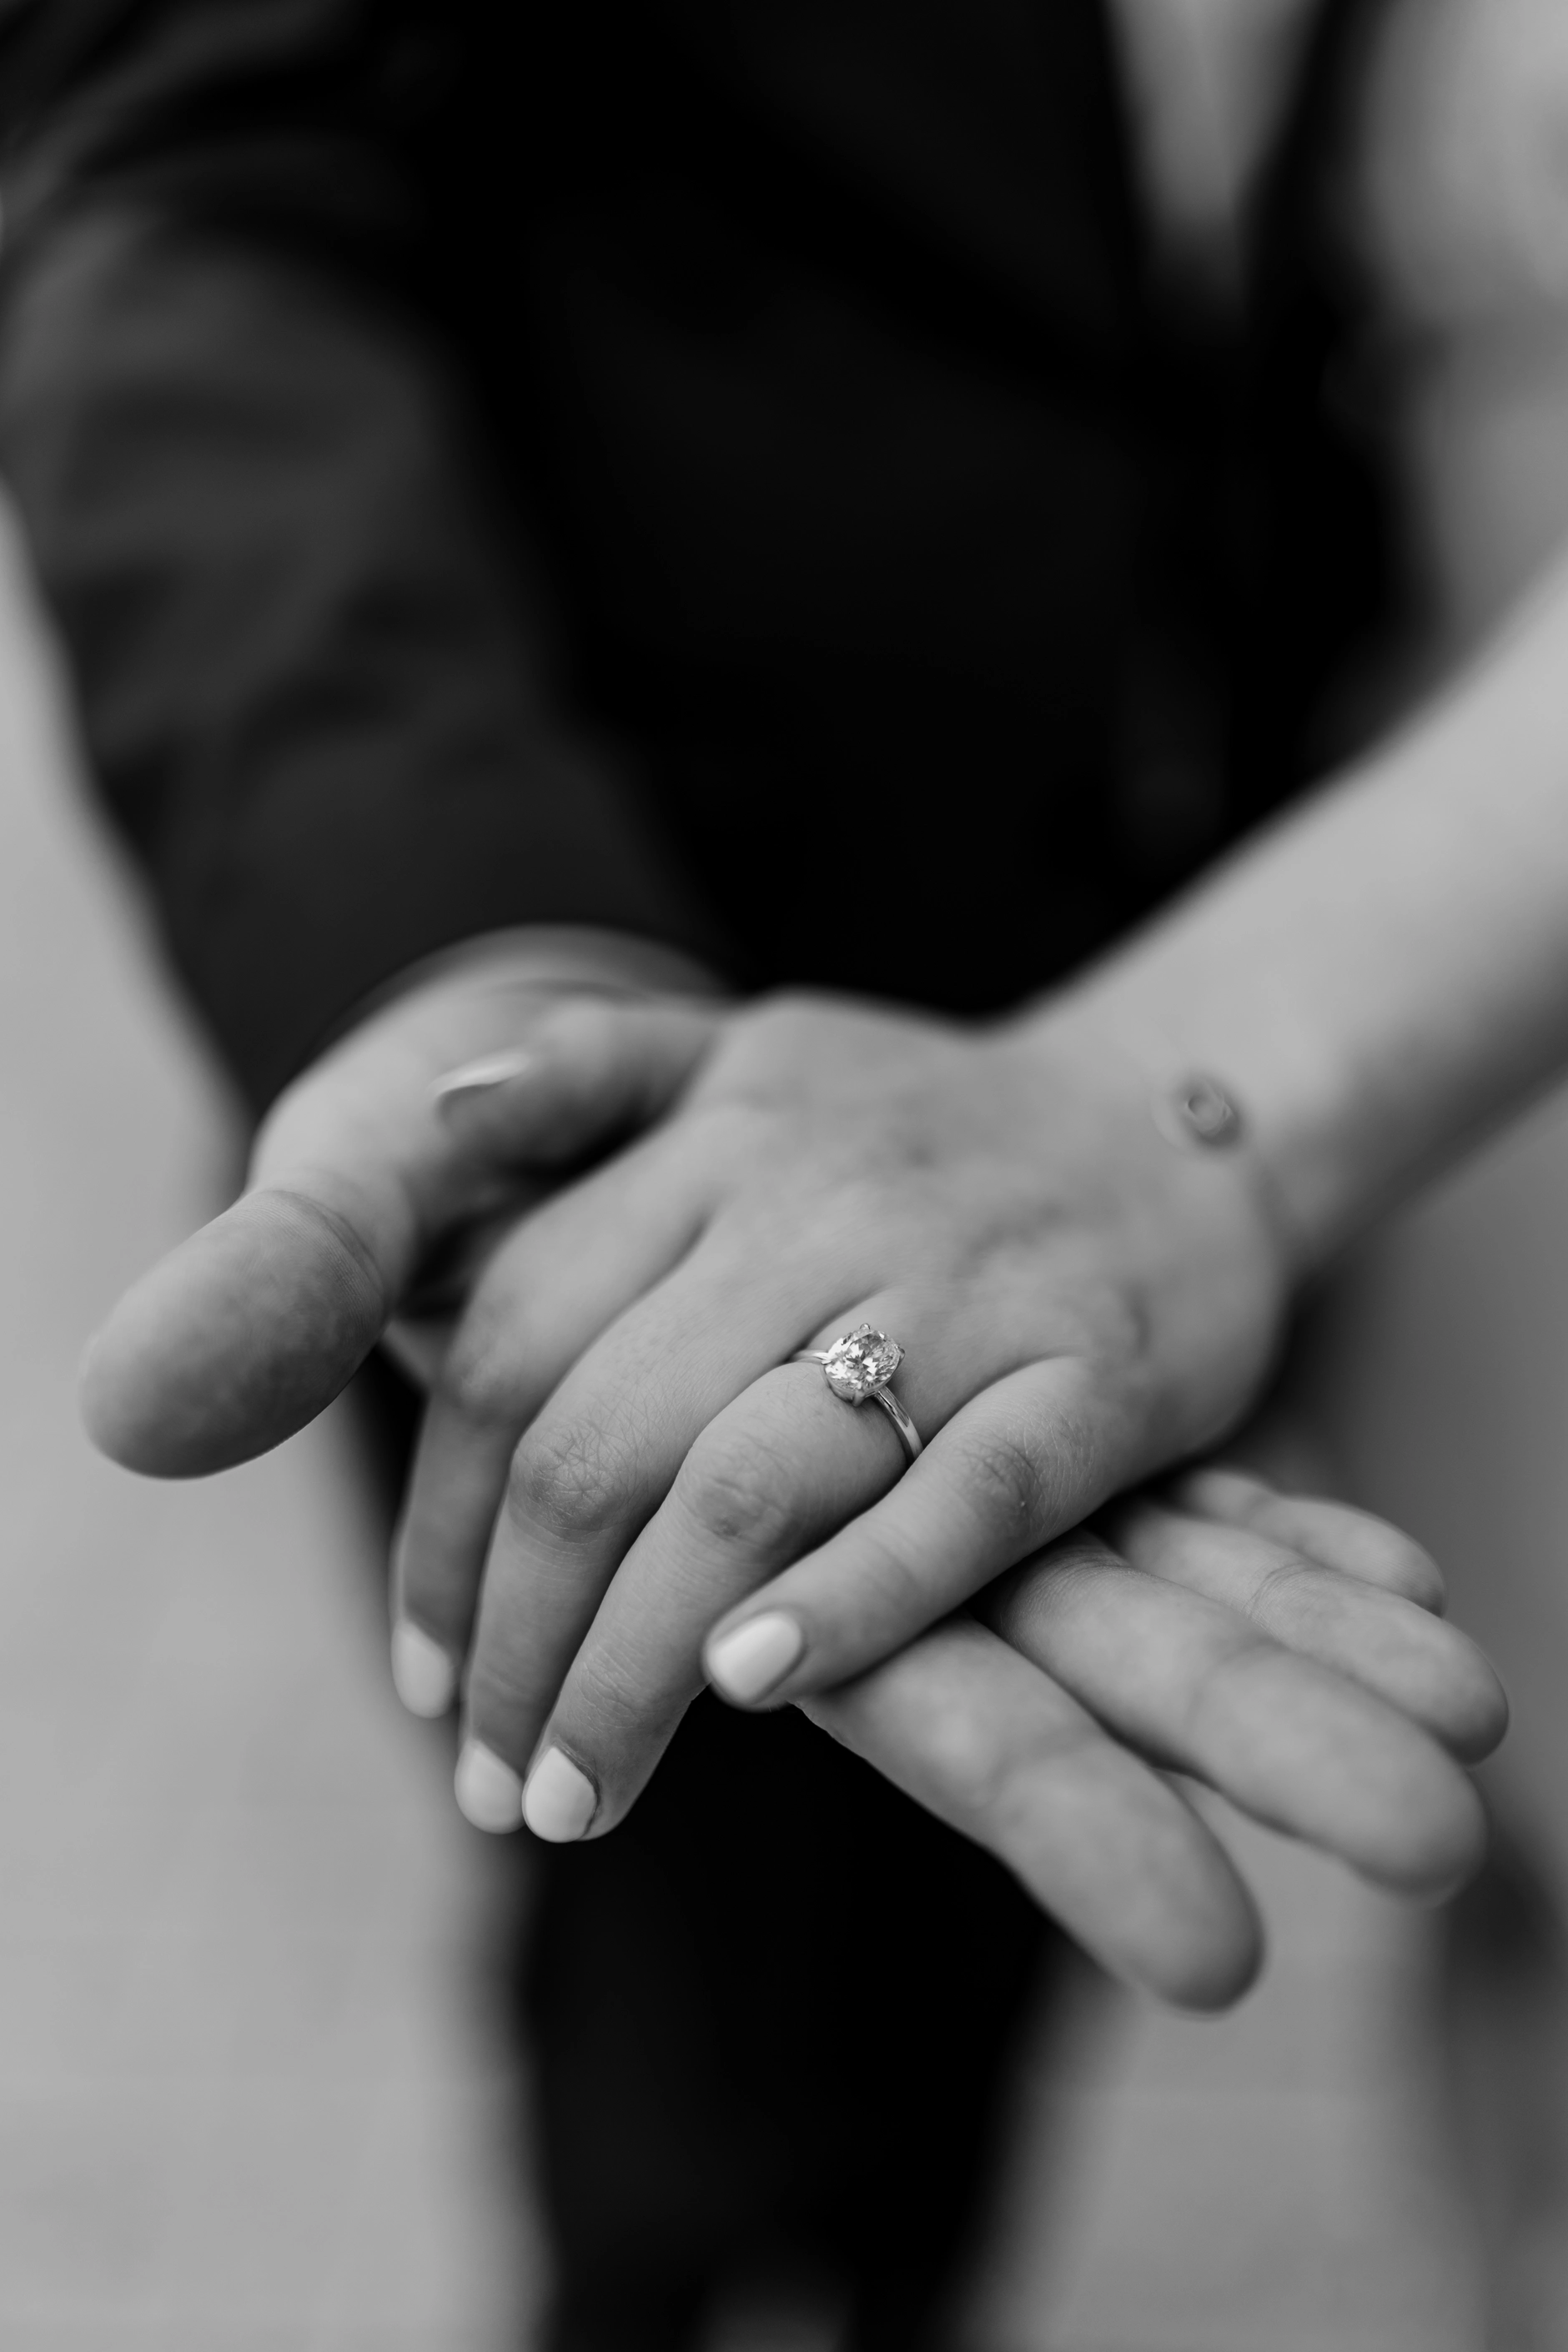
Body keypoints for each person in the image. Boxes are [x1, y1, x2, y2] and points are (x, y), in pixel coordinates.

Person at [0, 1, 1538, 2341]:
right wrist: (457, 917)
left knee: (1064, 1949)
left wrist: (1199, 1086)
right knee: (706, 2000)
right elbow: (183, 179)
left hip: (1325, 986)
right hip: (713, 1069)